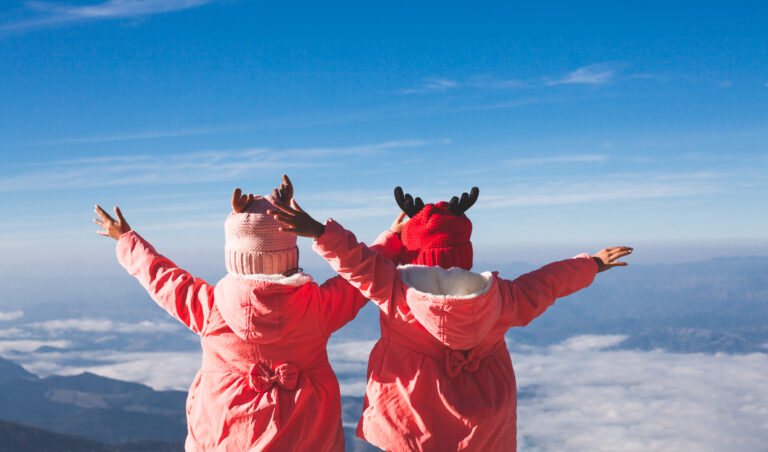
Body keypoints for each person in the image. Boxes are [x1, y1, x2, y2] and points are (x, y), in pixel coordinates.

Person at [270, 183, 632, 452]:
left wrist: (319, 230)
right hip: (482, 433)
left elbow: (356, 263)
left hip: (408, 431)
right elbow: (546, 283)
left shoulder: (395, 291)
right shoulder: (501, 297)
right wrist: (592, 264)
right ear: (465, 254)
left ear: (414, 253)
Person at [93, 176, 402, 452]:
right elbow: (360, 275)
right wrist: (392, 238)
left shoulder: (210, 308)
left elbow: (161, 277)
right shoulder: (319, 307)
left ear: (236, 257)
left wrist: (126, 239)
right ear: (290, 255)